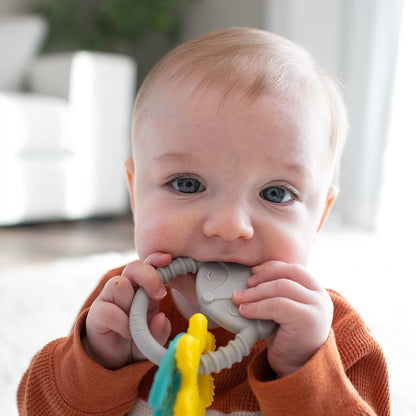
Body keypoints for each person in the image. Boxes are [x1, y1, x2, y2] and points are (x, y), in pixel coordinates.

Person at [17, 27, 390, 415]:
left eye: (275, 193)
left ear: (319, 218)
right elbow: (34, 408)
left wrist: (304, 370)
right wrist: (95, 364)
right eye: (187, 184)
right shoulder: (122, 309)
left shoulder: (335, 336)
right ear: (134, 194)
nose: (229, 226)